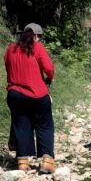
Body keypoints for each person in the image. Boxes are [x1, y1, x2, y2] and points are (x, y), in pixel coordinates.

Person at [4, 23, 55, 173]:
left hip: (15, 94)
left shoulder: (11, 48)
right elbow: (49, 68)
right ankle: (47, 163)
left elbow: (8, 67)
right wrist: (49, 78)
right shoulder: (37, 47)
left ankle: (23, 164)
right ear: (36, 36)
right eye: (40, 37)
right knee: (44, 126)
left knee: (21, 126)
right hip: (37, 94)